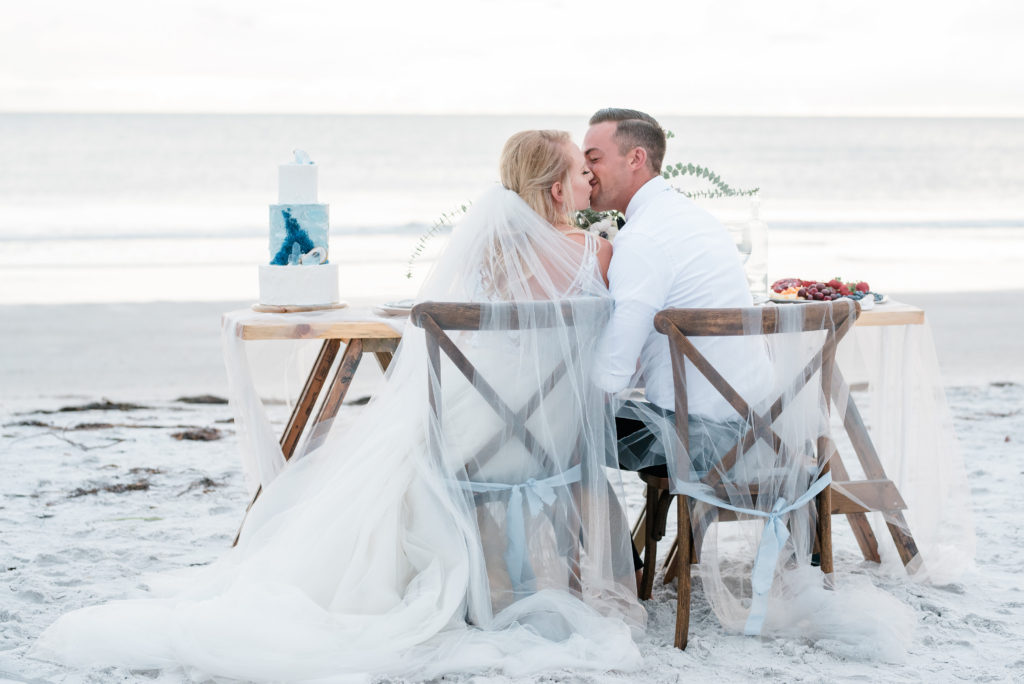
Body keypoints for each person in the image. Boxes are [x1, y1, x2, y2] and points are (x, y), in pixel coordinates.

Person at [32, 131, 644, 681]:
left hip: (483, 441)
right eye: (580, 171)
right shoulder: (599, 253)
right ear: (558, 188)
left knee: (397, 452)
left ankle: (443, 581)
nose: (589, 181)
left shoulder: (488, 254)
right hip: (553, 435)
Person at [583, 108, 772, 575]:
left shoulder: (643, 238)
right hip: (755, 428)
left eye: (595, 158)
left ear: (636, 158)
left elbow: (614, 371)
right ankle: (623, 560)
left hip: (698, 437)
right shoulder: (693, 219)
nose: (587, 172)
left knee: (558, 428)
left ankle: (619, 571)